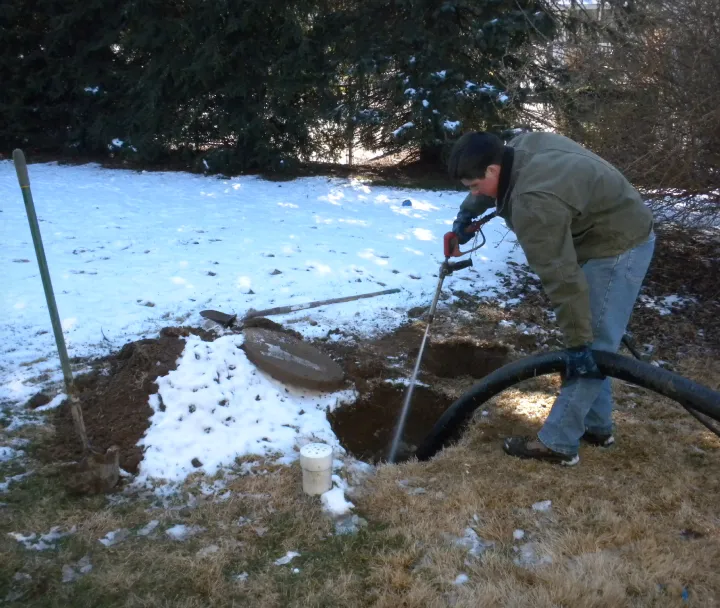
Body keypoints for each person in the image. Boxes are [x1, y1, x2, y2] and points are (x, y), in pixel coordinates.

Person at [448, 131, 655, 466]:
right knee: (593, 342)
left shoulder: (534, 202)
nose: (473, 193)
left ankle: (559, 443)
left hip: (617, 244)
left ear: (492, 171)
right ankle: (596, 426)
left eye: (473, 186)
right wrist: (467, 213)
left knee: (590, 348)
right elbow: (494, 188)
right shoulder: (517, 148)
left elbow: (561, 277)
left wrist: (576, 343)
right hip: (601, 224)